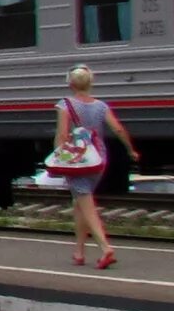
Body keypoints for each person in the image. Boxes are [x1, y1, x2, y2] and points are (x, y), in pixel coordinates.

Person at [52, 64, 139, 269]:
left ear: (70, 84)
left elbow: (62, 135)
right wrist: (130, 149)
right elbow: (117, 128)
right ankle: (79, 252)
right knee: (79, 203)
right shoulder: (101, 106)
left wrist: (58, 157)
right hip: (98, 159)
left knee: (87, 205)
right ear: (91, 83)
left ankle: (105, 248)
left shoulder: (65, 105)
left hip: (77, 161)